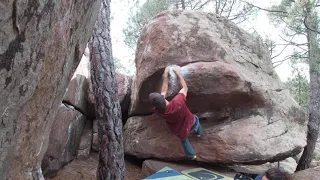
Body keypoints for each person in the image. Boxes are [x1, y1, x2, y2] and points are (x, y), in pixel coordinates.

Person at [149, 65, 203, 160]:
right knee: (196, 120)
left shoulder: (157, 110)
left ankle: (191, 156)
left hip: (178, 129)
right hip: (191, 123)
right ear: (163, 99)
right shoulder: (177, 102)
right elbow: (184, 88)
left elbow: (164, 91)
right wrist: (178, 73)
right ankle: (199, 133)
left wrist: (165, 76)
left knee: (184, 140)